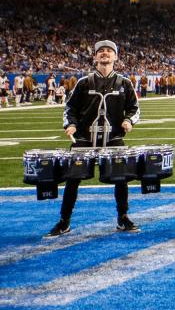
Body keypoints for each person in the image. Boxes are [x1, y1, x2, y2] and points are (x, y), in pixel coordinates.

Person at [45, 40, 140, 238]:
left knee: (121, 179)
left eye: (109, 51)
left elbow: (135, 108)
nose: (105, 54)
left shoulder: (125, 83)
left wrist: (129, 120)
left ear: (115, 57)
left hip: (113, 138)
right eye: (101, 51)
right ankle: (64, 221)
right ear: (95, 57)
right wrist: (70, 124)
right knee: (72, 179)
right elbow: (69, 108)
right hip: (84, 138)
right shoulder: (84, 82)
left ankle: (123, 217)